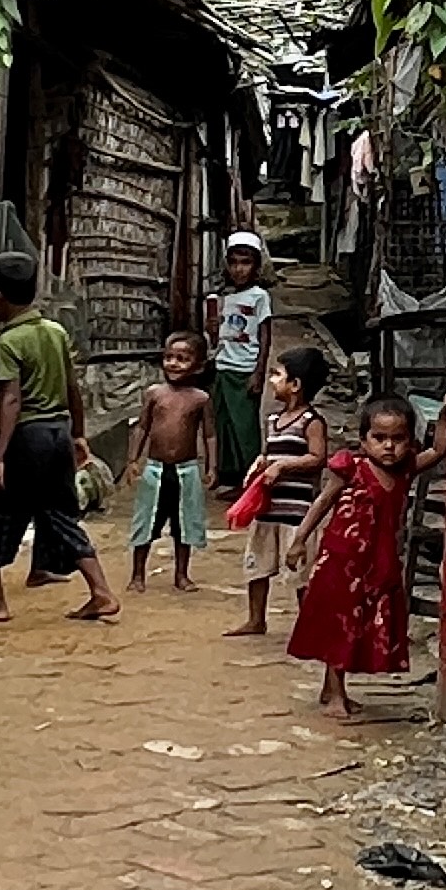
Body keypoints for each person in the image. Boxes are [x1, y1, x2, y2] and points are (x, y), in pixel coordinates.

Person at [0, 251, 117, 623]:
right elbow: (73, 387)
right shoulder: (55, 331)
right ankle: (100, 590)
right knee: (59, 515)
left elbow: (11, 399)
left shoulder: (8, 342)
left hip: (28, 437)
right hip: (58, 433)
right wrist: (79, 434)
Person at [283, 390, 419, 716]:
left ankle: (332, 690)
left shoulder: (405, 470)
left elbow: (441, 449)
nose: (389, 446)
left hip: (378, 562)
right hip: (342, 561)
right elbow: (323, 502)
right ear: (363, 441)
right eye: (379, 438)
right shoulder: (350, 469)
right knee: (341, 625)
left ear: (410, 441)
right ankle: (335, 695)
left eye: (398, 439)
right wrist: (299, 540)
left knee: (361, 626)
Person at [229, 344, 331, 641]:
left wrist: (283, 466)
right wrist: (261, 464)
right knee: (257, 565)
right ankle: (255, 619)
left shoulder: (312, 422)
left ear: (295, 385)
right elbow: (268, 452)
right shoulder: (273, 421)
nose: (272, 380)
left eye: (277, 374)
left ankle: (309, 626)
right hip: (268, 508)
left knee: (300, 572)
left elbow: (318, 458)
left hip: (297, 512)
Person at [124, 329, 216, 591]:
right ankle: (137, 575)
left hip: (187, 470)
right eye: (169, 357)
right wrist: (132, 459)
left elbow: (210, 435)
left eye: (183, 359)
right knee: (146, 521)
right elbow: (142, 427)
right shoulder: (154, 394)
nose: (174, 364)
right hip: (154, 469)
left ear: (198, 366)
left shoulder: (200, 399)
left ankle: (182, 575)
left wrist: (212, 466)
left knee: (183, 523)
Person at [205, 232, 276, 495]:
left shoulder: (260, 297)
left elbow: (265, 336)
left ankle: (252, 480)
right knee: (224, 424)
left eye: (245, 262)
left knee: (245, 428)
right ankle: (231, 476)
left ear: (256, 266)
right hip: (223, 367)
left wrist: (259, 372)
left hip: (245, 369)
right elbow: (218, 338)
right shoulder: (223, 298)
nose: (239, 269)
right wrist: (212, 328)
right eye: (234, 262)